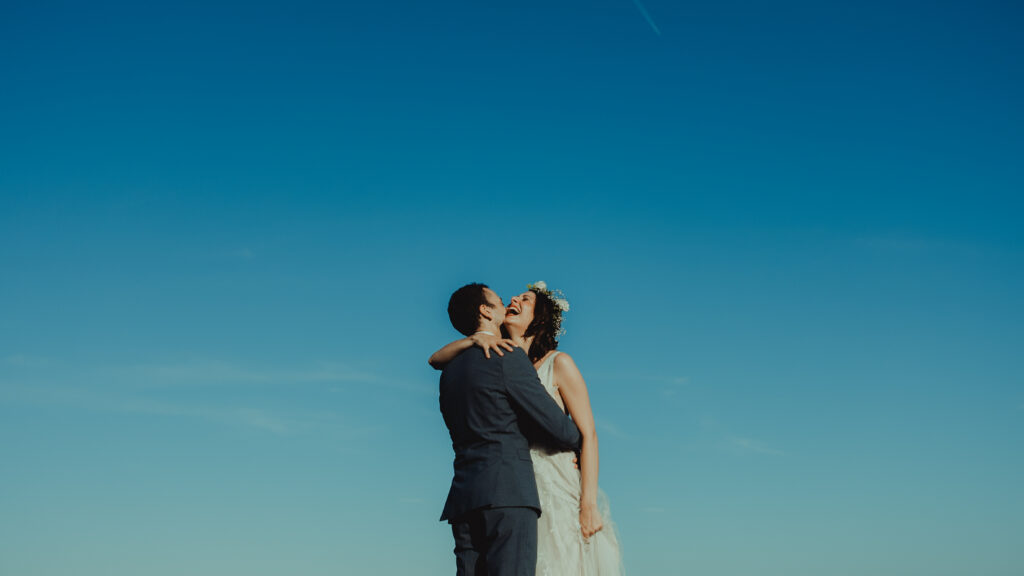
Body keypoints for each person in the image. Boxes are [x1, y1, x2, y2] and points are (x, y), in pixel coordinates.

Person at [431, 281, 624, 575]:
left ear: (540, 318)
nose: (512, 300)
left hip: (538, 486)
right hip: (513, 491)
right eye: (507, 298)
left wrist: (588, 502)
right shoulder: (506, 359)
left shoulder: (555, 363)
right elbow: (563, 431)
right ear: (486, 311)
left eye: (526, 299)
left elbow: (588, 435)